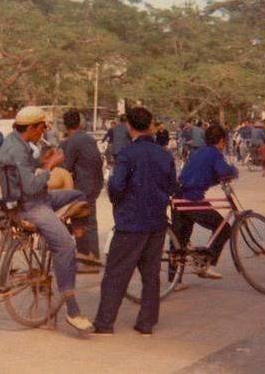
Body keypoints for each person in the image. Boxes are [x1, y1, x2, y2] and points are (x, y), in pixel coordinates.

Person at [0, 106, 93, 332]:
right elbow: (30, 186)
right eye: (41, 127)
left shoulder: (17, 142)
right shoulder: (16, 150)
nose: (43, 131)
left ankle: (70, 236)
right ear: (30, 127)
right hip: (30, 206)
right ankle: (72, 309)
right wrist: (50, 166)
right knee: (65, 247)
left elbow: (27, 174)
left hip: (40, 198)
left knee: (79, 196)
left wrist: (42, 162)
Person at [93, 107, 176, 336]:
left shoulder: (127, 155)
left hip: (130, 221)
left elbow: (116, 185)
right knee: (151, 275)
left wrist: (118, 202)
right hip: (157, 221)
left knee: (116, 274)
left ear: (128, 126)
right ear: (151, 124)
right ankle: (146, 323)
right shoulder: (164, 155)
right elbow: (171, 186)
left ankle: (104, 322)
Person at [173, 124, 238, 280]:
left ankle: (175, 279)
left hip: (178, 197)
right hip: (193, 199)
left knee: (179, 240)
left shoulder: (197, 152)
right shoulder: (215, 154)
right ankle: (205, 263)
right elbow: (223, 171)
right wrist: (234, 171)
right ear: (222, 140)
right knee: (224, 229)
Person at [61, 109, 104, 273]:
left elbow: (66, 167)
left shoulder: (72, 141)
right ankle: (92, 257)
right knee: (90, 222)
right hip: (94, 184)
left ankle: (89, 260)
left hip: (82, 187)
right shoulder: (88, 139)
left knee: (82, 222)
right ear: (80, 122)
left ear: (65, 126)